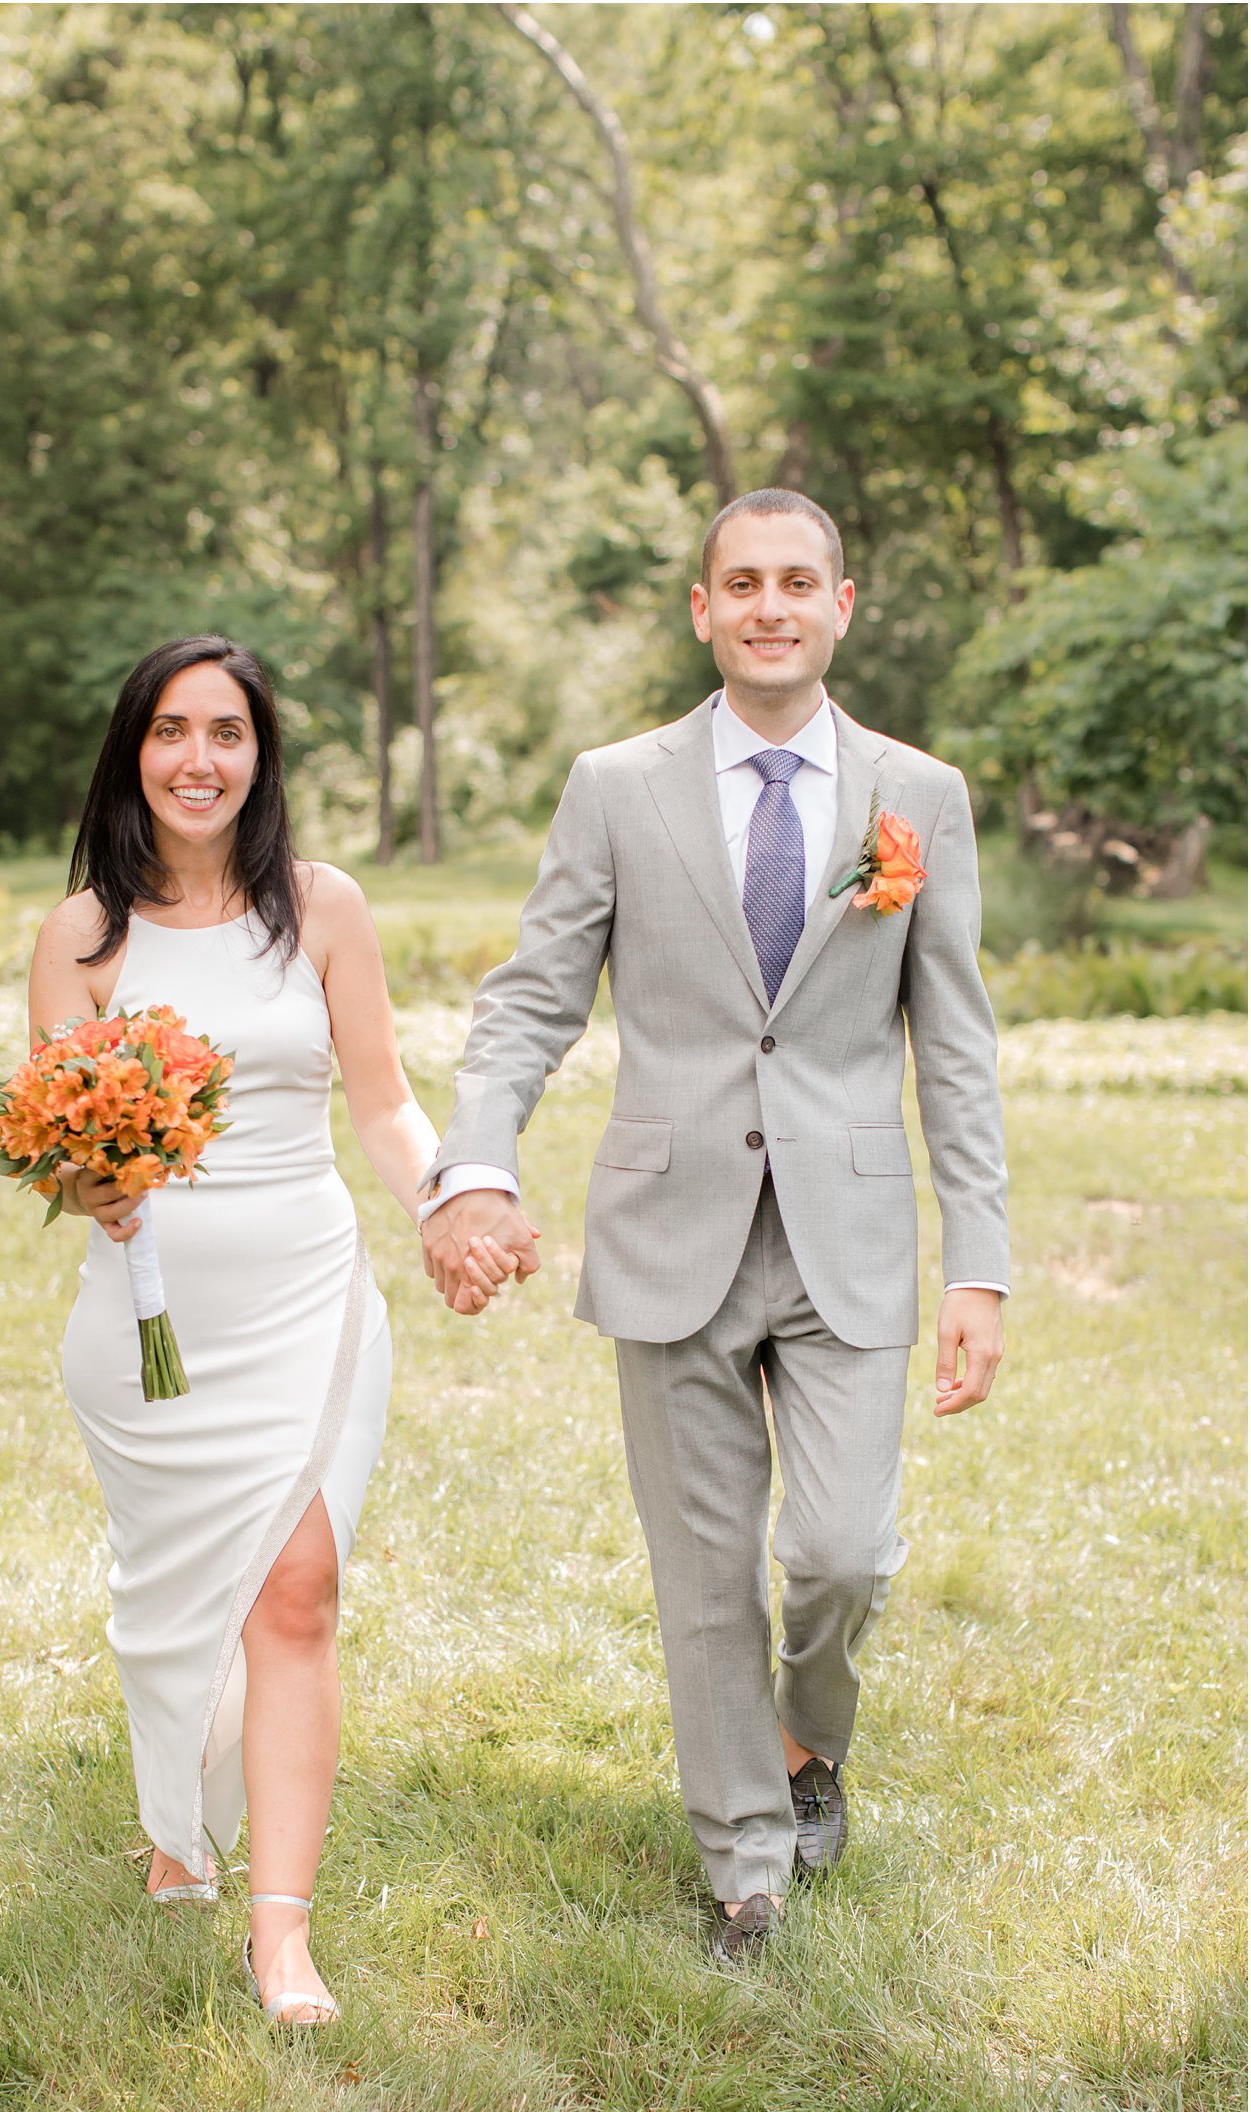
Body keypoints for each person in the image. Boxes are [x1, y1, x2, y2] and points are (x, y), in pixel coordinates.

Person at [419, 490, 1008, 1964]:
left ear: (842, 603)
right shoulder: (615, 786)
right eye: (739, 583)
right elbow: (533, 1000)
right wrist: (475, 1162)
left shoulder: (915, 795)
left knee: (842, 1552)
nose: (768, 606)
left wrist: (982, 1261)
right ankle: (746, 1862)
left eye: (795, 582)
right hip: (669, 1227)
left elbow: (956, 1045)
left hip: (848, 1239)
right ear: (702, 609)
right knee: (701, 1578)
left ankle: (812, 1739)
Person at [28, 635, 503, 2025]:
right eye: (171, 731)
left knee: (296, 1591)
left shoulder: (324, 908)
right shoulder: (82, 936)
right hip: (146, 1325)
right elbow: (56, 1138)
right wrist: (94, 1178)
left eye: (226, 732)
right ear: (133, 753)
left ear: (261, 754)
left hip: (306, 1301)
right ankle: (178, 1811)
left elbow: (382, 1101)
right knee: (172, 1602)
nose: (198, 759)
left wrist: (450, 1197)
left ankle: (281, 1932)